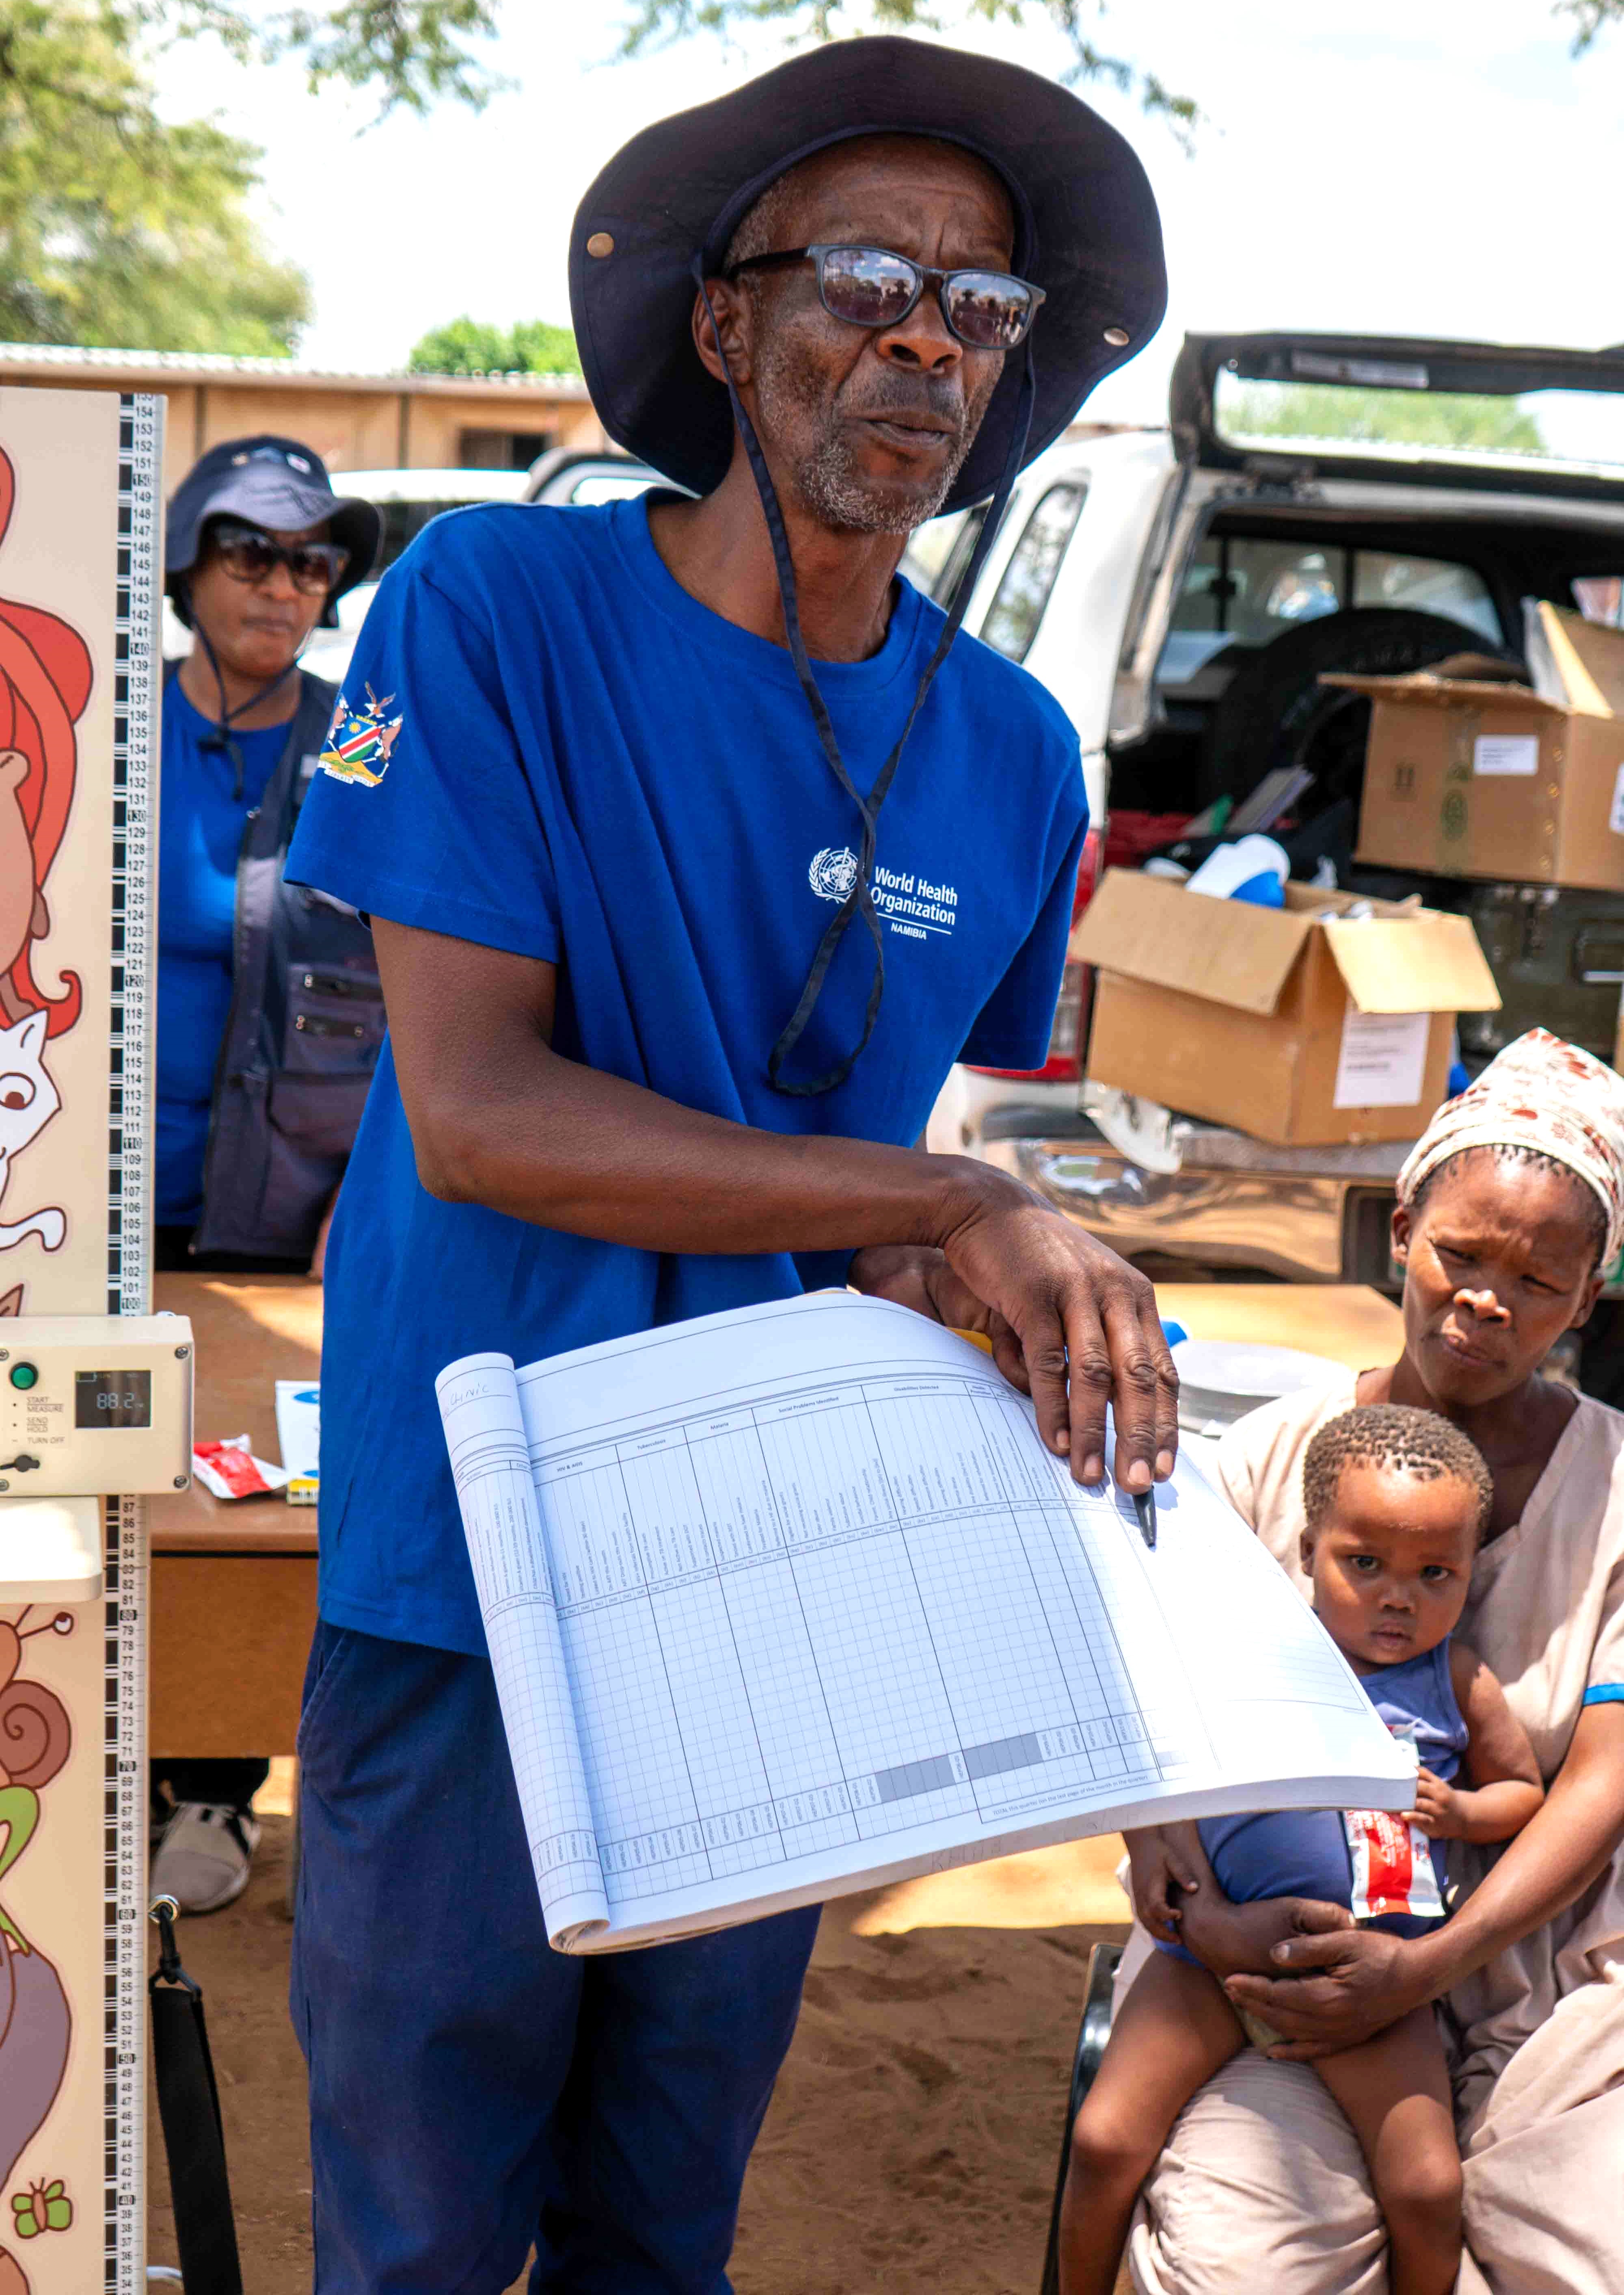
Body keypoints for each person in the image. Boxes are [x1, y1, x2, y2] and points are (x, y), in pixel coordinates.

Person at [282, 36, 1173, 2295]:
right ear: (720, 320)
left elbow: (896, 1162)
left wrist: (1001, 1280)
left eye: (978, 305)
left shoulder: (1010, 751)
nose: (924, 339)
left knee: (662, 2227)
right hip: (479, 1551)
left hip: (778, 1574)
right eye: (866, 277)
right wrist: (945, 1210)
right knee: (418, 2229)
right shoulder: (498, 609)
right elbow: (479, 1112)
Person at [1115, 1029, 1624, 2295]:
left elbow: (1603, 1776)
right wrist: (1199, 1905)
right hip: (1282, 1957)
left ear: (1588, 1299)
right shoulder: (1268, 1460)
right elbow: (1160, 1711)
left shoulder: (1613, 1490)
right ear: (1400, 1230)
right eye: (1460, 1253)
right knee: (1245, 2267)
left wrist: (1432, 1964)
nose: (1487, 1299)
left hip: (1545, 1975)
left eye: (1539, 1279)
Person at [1062, 1404, 1543, 2295]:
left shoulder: (1455, 1680)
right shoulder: (1253, 1649)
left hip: (1372, 1980)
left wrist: (1463, 1811)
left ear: (1470, 1573)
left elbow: (1523, 1793)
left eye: (1434, 1574)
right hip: (1207, 1962)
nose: (1398, 1597)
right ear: (1309, 1549)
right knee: (1102, 2141)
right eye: (1365, 1563)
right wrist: (1191, 1900)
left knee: (1427, 2190)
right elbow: (1164, 1753)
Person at [149, 438, 381, 1916]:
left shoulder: (364, 744)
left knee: (237, 1492)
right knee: (82, 1461)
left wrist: (375, 1188)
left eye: (312, 561)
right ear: (187, 567)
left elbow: (435, 967)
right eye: (252, 552)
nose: (284, 585)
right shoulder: (105, 724)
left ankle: (212, 1788)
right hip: (100, 1191)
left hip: (283, 1197)